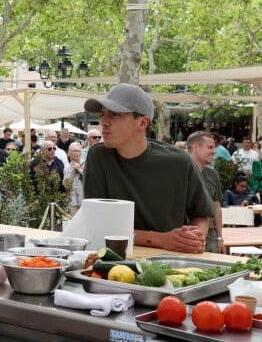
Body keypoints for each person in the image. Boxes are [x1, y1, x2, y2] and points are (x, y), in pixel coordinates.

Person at [83, 83, 213, 254]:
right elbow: (98, 225)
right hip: (116, 260)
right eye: (102, 114)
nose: (103, 122)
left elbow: (201, 214)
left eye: (114, 115)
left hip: (169, 264)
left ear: (142, 123)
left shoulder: (179, 162)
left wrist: (193, 239)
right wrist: (160, 239)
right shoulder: (98, 156)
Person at [186, 131, 225, 254]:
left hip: (211, 239)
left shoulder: (212, 174)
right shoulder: (180, 172)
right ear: (196, 147)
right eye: (210, 147)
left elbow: (217, 207)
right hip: (187, 237)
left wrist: (220, 238)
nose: (214, 151)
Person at [63, 142, 84, 215]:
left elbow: (91, 180)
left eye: (78, 151)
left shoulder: (86, 164)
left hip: (84, 201)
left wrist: (79, 169)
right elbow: (66, 185)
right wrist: (73, 171)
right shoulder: (67, 168)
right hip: (72, 202)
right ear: (69, 153)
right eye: (74, 151)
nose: (76, 153)